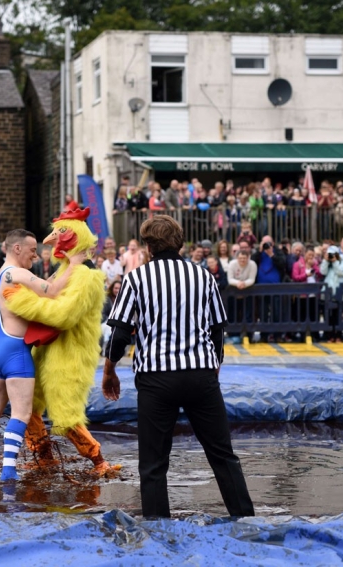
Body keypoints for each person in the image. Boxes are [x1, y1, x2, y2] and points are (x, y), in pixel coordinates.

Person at [101, 215, 254, 519]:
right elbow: (217, 330)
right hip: (200, 373)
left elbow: (119, 333)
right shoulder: (204, 276)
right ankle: (246, 521)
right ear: (180, 242)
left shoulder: (136, 278)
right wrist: (215, 367)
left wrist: (109, 370)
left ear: (148, 245)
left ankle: (158, 531)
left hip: (156, 377)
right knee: (223, 456)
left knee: (154, 463)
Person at [0, 229, 85, 482]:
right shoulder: (18, 272)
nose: (35, 256)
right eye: (31, 251)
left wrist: (62, 270)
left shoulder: (2, 274)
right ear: (17, 249)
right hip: (16, 351)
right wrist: (75, 263)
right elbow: (50, 291)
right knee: (21, 414)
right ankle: (8, 471)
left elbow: (42, 286)